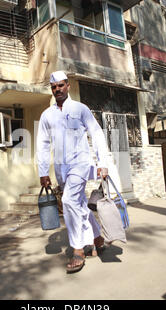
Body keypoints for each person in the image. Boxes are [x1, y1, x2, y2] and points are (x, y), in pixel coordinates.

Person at [36, 71, 110, 273]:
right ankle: (97, 237)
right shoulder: (47, 115)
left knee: (68, 200)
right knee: (77, 204)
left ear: (67, 86)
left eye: (60, 85)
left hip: (80, 163)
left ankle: (77, 249)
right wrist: (43, 171)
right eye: (53, 87)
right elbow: (42, 144)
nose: (57, 89)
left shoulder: (80, 109)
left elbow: (96, 133)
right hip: (61, 168)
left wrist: (102, 162)